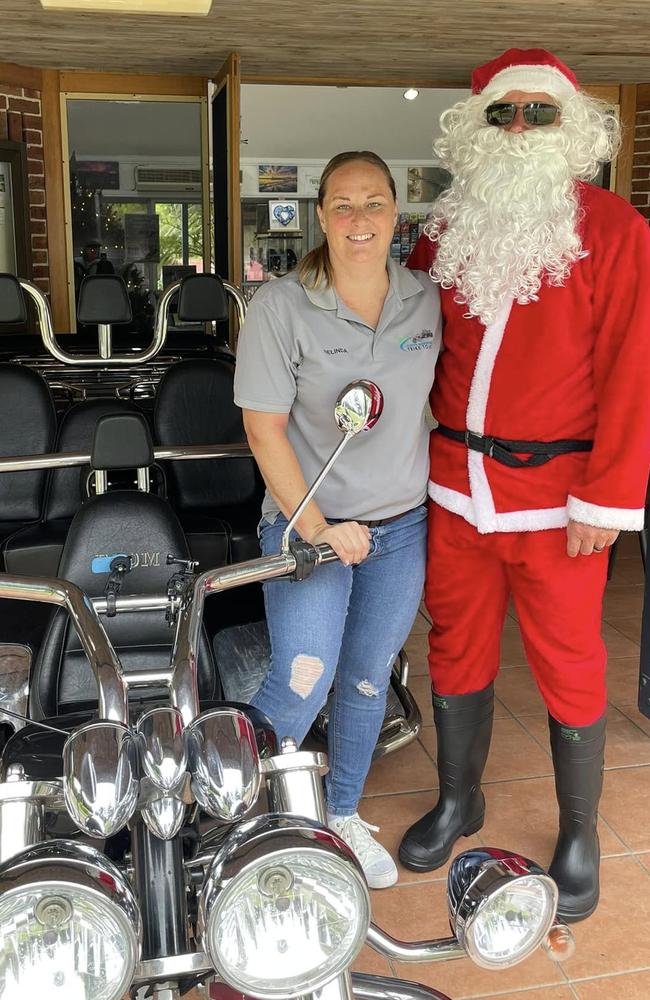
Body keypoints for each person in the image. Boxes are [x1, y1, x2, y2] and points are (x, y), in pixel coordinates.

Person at [397, 48, 650, 921]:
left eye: (539, 113)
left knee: (570, 662)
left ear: (570, 125)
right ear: (476, 126)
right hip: (453, 487)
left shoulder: (614, 229)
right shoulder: (444, 228)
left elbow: (632, 371)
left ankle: (579, 835)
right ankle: (460, 799)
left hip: (562, 498)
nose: (519, 128)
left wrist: (608, 501)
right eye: (504, 113)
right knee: (455, 645)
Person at [234, 150, 442, 888]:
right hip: (308, 528)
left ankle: (344, 813)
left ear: (397, 215)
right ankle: (238, 813)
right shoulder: (281, 307)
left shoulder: (427, 300)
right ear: (320, 216)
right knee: (304, 678)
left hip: (401, 528)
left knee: (365, 679)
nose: (360, 220)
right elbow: (264, 431)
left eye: (375, 203)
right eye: (344, 206)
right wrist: (320, 529)